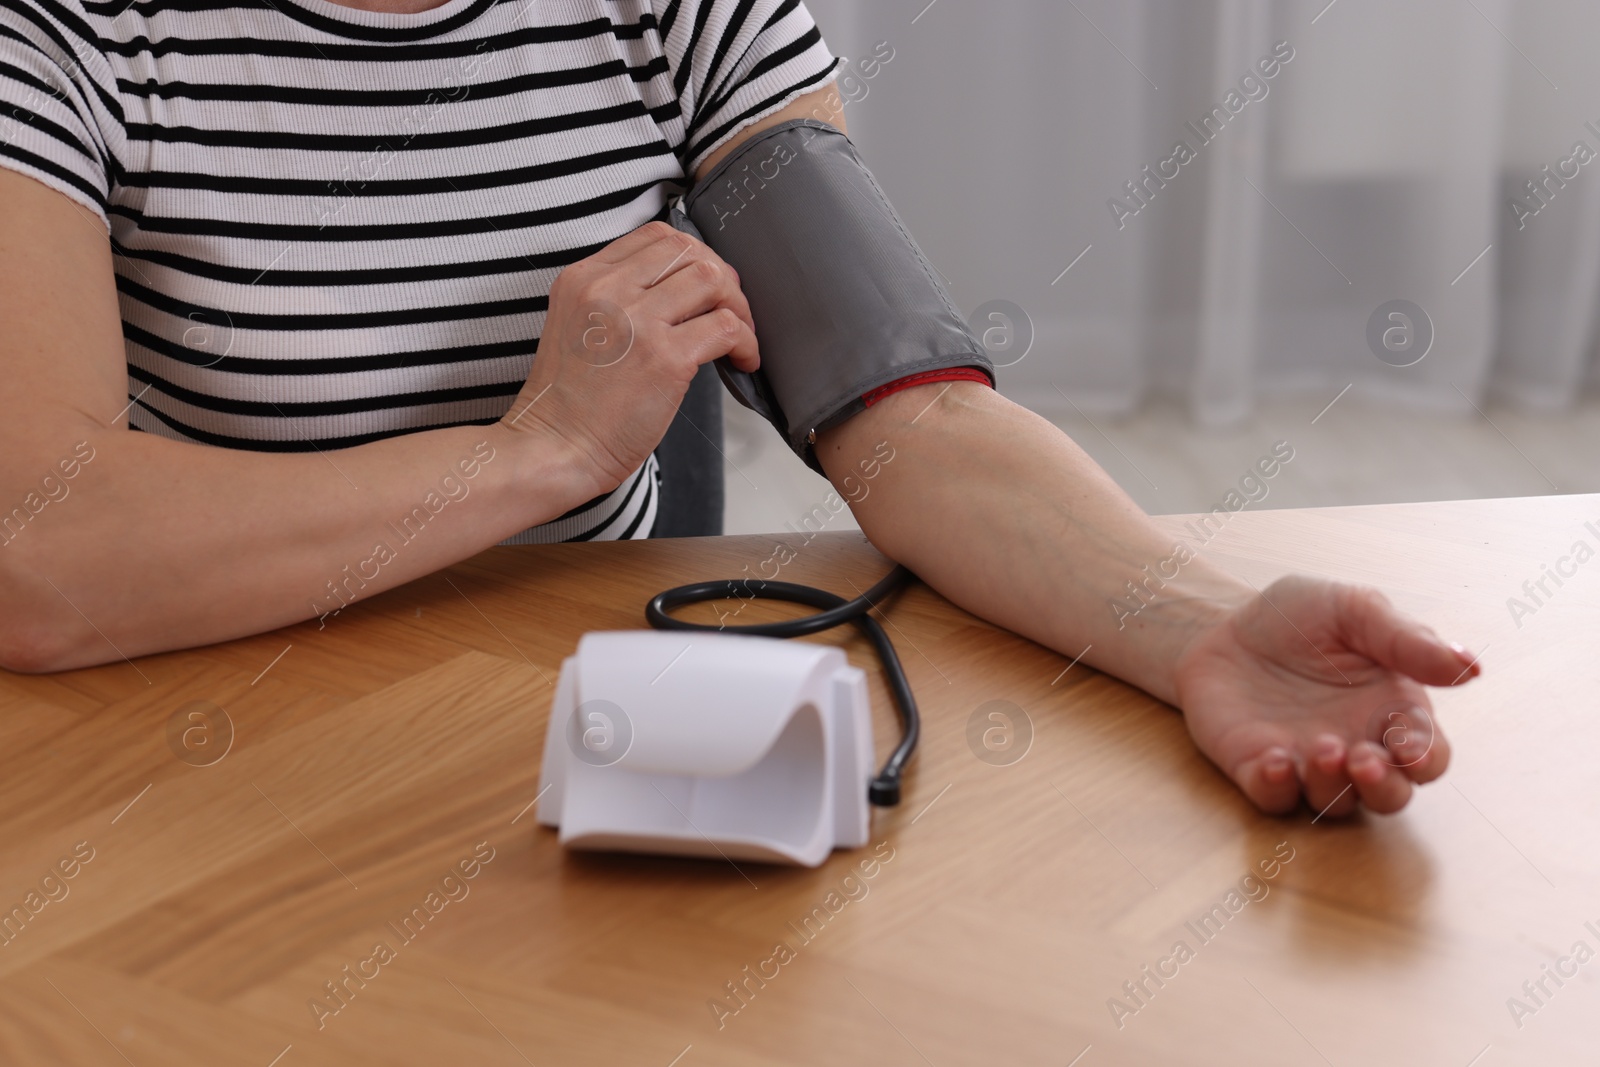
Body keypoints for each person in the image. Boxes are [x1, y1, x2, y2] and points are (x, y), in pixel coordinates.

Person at [0, 0, 1477, 819]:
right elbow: (38, 554)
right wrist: (541, 455)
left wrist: (1195, 623)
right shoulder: (65, 33)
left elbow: (915, 421)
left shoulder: (683, 10)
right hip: (213, 715)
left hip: (570, 733)